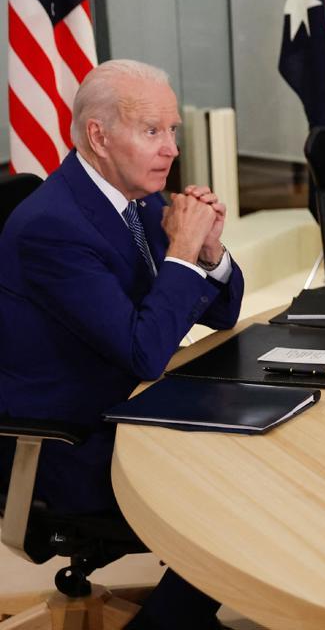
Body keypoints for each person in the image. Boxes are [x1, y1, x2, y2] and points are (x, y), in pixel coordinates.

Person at [0, 60, 244, 628]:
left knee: (265, 454)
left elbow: (224, 313)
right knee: (234, 497)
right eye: (152, 131)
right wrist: (181, 255)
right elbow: (144, 352)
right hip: (67, 444)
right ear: (99, 137)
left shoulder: (135, 201)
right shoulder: (53, 226)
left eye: (173, 131)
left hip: (130, 407)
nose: (171, 150)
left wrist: (207, 252)